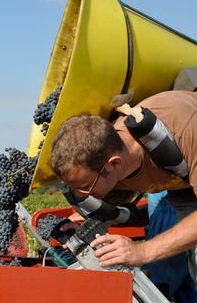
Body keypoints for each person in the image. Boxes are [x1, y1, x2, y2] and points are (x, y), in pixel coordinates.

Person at [50, 90, 197, 280]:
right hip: (184, 191)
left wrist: (143, 251)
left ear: (115, 163)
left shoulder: (183, 131)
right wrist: (90, 226)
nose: (82, 195)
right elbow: (122, 209)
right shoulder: (103, 155)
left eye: (86, 187)